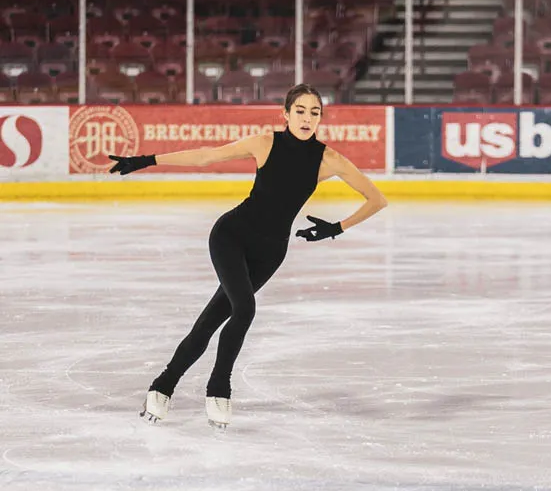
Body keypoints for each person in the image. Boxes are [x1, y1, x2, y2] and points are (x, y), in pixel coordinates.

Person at [108, 83, 388, 429]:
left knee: (212, 320)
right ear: (285, 114)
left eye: (314, 112)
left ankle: (163, 384)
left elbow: (377, 199)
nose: (306, 118)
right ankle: (218, 387)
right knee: (244, 308)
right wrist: (146, 160)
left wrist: (337, 228)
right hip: (231, 236)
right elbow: (207, 156)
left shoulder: (328, 159)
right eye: (299, 111)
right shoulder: (265, 142)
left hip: (270, 253)